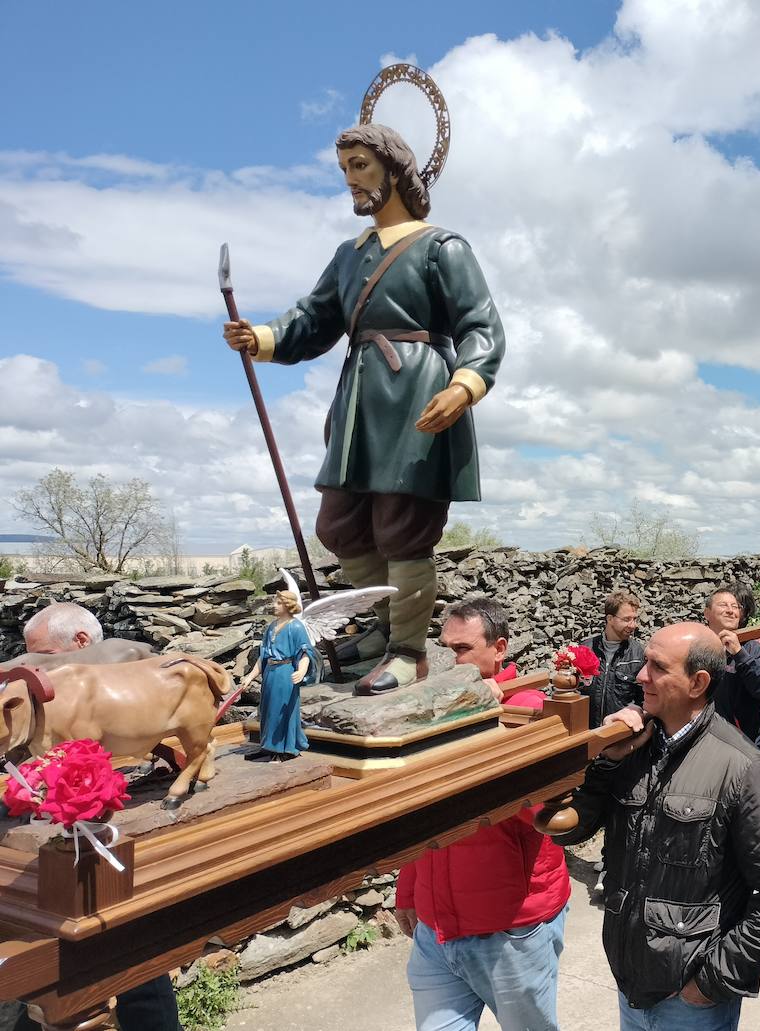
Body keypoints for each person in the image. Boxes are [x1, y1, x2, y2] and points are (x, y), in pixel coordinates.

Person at [224, 122, 505, 696]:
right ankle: (382, 630)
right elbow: (313, 319)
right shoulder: (348, 256)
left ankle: (407, 652)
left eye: (361, 166)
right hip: (359, 399)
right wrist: (263, 336)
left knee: (403, 529)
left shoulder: (441, 247)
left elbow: (481, 325)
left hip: (418, 394)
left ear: (395, 170)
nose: (351, 180)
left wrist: (465, 384)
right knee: (342, 525)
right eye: (345, 168)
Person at [554, 623, 760, 1030]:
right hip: (630, 983)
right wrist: (607, 758)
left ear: (698, 683)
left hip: (691, 1003)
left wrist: (711, 983)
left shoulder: (744, 768)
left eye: (657, 667)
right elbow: (569, 830)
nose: (640, 676)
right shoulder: (633, 749)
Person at [396, 598, 570, 1031]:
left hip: (511, 930)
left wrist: (486, 720)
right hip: (438, 930)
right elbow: (420, 811)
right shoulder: (434, 711)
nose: (449, 660)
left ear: (499, 649)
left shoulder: (528, 708)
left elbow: (537, 810)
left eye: (462, 649)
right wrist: (409, 888)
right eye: (444, 647)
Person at [9, 605, 182, 1031]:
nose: (33, 666)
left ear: (82, 644)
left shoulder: (134, 675)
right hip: (44, 866)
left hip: (113, 850)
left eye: (43, 656)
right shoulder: (36, 699)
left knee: (134, 958)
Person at [237, 589, 317, 761]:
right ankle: (268, 746)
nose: (274, 605)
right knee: (267, 709)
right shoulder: (271, 627)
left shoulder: (295, 627)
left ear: (288, 605)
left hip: (285, 672)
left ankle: (286, 749)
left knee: (283, 709)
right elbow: (263, 655)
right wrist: (250, 677)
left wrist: (301, 670)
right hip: (270, 673)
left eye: (278, 602)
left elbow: (304, 652)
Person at [702, 586, 760, 748]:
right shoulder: (695, 647)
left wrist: (739, 654)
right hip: (703, 743)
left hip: (743, 746)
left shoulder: (754, 650)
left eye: (735, 606)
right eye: (723, 605)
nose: (730, 610)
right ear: (707, 613)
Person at [579, 590, 646, 730]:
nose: (633, 625)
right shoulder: (585, 649)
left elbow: (644, 701)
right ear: (610, 619)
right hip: (587, 734)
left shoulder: (639, 654)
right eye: (627, 619)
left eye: (635, 619)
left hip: (621, 736)